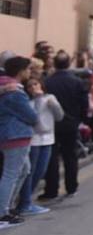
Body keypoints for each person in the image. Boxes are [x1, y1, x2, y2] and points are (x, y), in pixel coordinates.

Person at [41, 52, 88, 200]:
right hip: (70, 123)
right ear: (68, 64)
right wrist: (79, 119)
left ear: (54, 64)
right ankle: (71, 187)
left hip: (52, 123)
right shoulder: (76, 82)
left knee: (52, 157)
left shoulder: (47, 82)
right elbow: (84, 104)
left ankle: (51, 190)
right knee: (70, 156)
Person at [16, 71, 63, 216]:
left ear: (41, 84)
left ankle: (26, 199)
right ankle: (25, 202)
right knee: (31, 172)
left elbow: (59, 116)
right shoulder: (27, 101)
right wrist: (37, 100)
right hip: (33, 140)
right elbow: (33, 119)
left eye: (35, 84)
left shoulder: (50, 97)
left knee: (41, 171)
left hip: (48, 138)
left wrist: (53, 104)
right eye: (30, 86)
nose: (33, 88)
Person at [0, 57, 37, 228]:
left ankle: (8, 207)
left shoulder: (7, 87)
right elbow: (32, 116)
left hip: (13, 135)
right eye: (28, 69)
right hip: (15, 135)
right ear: (20, 71)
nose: (30, 72)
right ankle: (2, 213)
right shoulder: (14, 91)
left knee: (24, 170)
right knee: (11, 174)